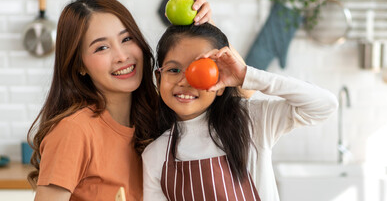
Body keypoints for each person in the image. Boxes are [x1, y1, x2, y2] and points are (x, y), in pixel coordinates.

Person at [27, 0, 212, 200]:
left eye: (126, 39)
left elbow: (240, 113)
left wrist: (209, 30)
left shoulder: (157, 116)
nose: (122, 56)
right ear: (80, 66)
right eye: (101, 48)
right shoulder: (74, 131)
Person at [142, 23, 338, 201]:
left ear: (220, 84)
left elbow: (324, 105)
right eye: (173, 70)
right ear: (158, 79)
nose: (184, 81)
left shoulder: (252, 121)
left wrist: (247, 75)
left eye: (199, 70)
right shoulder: (155, 156)